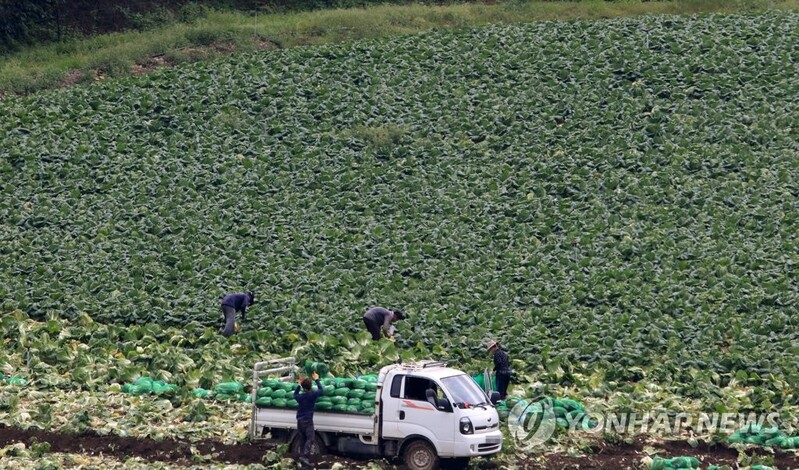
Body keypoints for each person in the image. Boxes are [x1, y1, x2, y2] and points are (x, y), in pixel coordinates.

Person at [294, 371, 324, 467]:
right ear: (311, 387)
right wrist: (317, 380)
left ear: (303, 387)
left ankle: (304, 460)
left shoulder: (300, 397)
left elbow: (295, 394)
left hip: (299, 421)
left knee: (303, 440)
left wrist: (299, 385)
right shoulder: (312, 396)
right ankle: (305, 456)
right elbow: (321, 390)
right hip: (307, 421)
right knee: (310, 438)